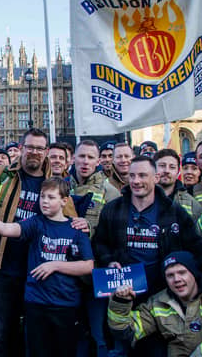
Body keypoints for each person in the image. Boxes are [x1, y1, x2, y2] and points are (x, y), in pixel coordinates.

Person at [0, 122, 79, 357]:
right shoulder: (2, 176)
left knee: (33, 337)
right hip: (2, 270)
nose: (34, 152)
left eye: (40, 149)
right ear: (21, 148)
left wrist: (81, 225)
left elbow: (70, 224)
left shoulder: (57, 185)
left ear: (46, 152)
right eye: (30, 147)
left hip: (38, 272)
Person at [93, 156, 202, 356]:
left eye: (142, 175)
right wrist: (109, 261)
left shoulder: (173, 211)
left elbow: (196, 248)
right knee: (119, 347)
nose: (136, 181)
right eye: (132, 176)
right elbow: (99, 243)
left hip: (161, 298)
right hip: (124, 294)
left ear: (156, 177)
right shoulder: (113, 209)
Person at [0, 177, 93, 357]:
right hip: (36, 303)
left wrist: (55, 265)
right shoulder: (36, 222)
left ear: (64, 201)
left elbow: (88, 266)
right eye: (42, 196)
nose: (45, 201)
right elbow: (9, 229)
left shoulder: (77, 227)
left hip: (66, 304)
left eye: (51, 197)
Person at [68, 140, 120, 357]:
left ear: (98, 161)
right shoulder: (62, 187)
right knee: (74, 333)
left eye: (91, 157)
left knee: (99, 334)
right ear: (73, 159)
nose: (85, 161)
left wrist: (90, 227)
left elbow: (115, 234)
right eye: (82, 156)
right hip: (69, 273)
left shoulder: (111, 192)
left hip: (97, 273)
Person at [108, 251, 202, 356]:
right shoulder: (157, 302)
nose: (176, 279)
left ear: (194, 273)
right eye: (170, 275)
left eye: (182, 272)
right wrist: (121, 302)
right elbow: (126, 333)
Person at [154, 149, 202, 234]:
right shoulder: (138, 199)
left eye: (172, 167)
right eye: (162, 166)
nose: (166, 170)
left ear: (178, 172)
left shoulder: (193, 205)